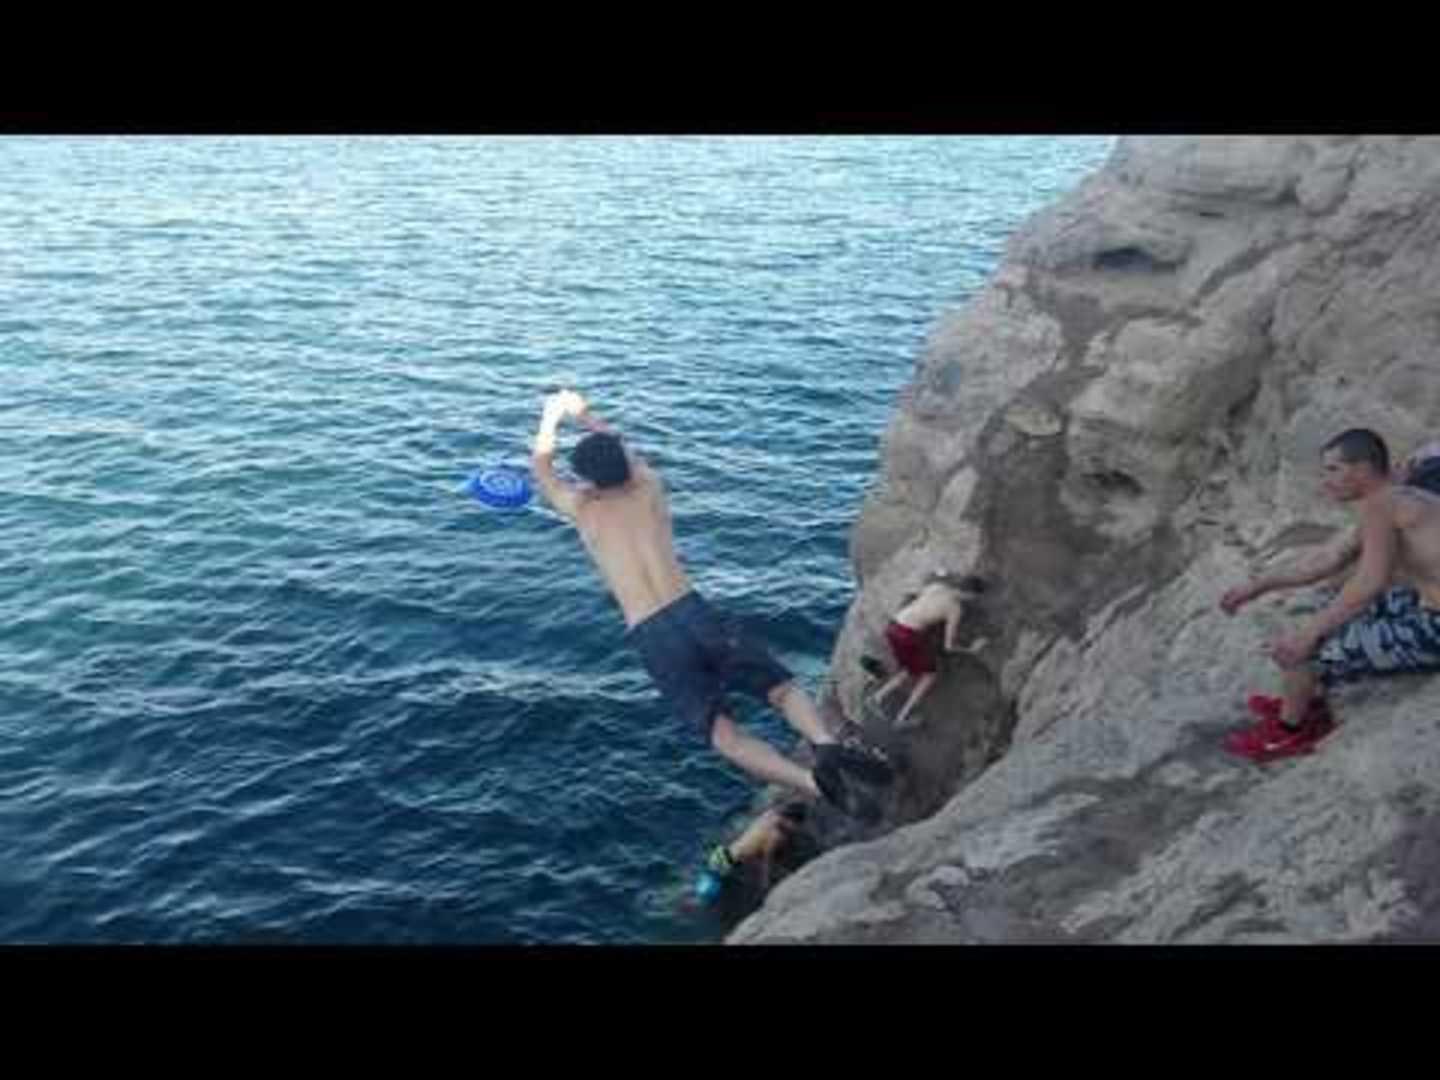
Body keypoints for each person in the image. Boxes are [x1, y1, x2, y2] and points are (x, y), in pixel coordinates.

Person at [531, 390, 892, 819]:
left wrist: (550, 417)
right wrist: (583, 414)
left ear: (586, 480)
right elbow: (619, 443)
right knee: (781, 689)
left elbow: (542, 466)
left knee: (724, 735)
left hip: (652, 634)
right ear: (624, 464)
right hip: (694, 612)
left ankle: (812, 785)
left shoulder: (582, 509)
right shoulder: (649, 486)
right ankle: (828, 747)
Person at [1220, 428, 1440, 761]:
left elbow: (1370, 582)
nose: (1325, 481)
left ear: (1363, 469)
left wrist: (1308, 635)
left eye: (1333, 470)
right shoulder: (1394, 497)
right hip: (1426, 604)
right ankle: (1304, 697)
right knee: (1325, 611)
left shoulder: (1382, 504)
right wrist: (1259, 585)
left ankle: (1290, 733)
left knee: (1309, 649)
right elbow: (1327, 560)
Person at [861, 571, 988, 728]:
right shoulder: (955, 608)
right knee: (929, 675)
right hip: (908, 636)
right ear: (970, 594)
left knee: (909, 669)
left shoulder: (937, 586)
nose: (973, 601)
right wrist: (972, 649)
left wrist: (943, 574)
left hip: (894, 626)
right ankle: (901, 718)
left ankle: (876, 699)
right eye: (974, 598)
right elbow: (948, 647)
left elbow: (923, 589)